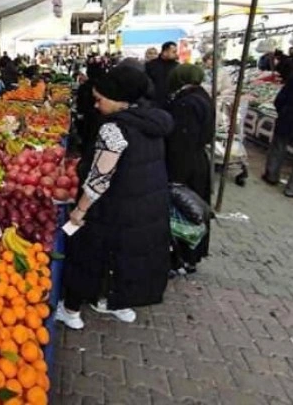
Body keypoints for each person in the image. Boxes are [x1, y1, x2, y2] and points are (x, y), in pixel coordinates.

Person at [56, 66, 173, 330]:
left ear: (120, 99)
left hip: (113, 205)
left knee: (85, 250)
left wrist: (80, 210)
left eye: (100, 99)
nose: (96, 105)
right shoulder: (151, 121)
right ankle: (117, 303)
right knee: (128, 255)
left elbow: (100, 177)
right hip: (145, 204)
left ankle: (71, 310)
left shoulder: (113, 129)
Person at [166, 64, 215, 272]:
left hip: (186, 166)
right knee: (194, 210)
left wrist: (175, 174)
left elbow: (182, 141)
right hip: (198, 161)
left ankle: (184, 257)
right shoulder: (202, 96)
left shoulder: (187, 103)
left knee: (186, 210)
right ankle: (191, 256)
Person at [263, 68, 293, 197]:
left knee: (278, 146)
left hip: (289, 117)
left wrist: (282, 111)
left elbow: (281, 97)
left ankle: (271, 176)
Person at [145, 41, 179, 107]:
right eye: (173, 52)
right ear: (165, 52)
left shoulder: (177, 67)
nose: (176, 54)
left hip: (171, 103)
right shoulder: (150, 65)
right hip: (153, 103)